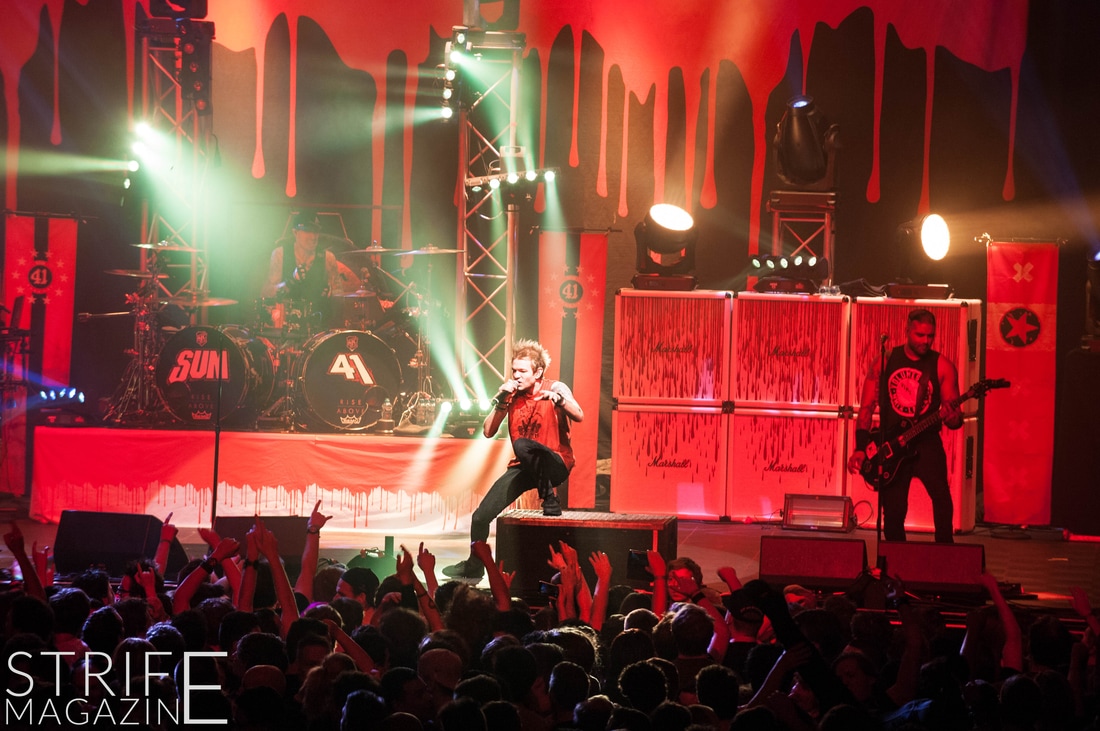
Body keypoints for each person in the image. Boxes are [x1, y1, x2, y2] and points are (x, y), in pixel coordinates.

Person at [442, 339, 584, 579]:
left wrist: (558, 399)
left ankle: (549, 497)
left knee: (522, 444)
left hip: (555, 463)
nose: (516, 376)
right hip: (525, 467)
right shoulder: (511, 396)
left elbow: (579, 415)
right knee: (480, 517)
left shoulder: (555, 387)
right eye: (514, 371)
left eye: (522, 371)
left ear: (538, 372)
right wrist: (501, 400)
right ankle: (475, 565)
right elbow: (488, 431)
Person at [846, 308, 963, 543]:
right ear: (907, 330)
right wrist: (860, 447)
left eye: (930, 336)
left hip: (926, 441)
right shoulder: (885, 361)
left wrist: (952, 418)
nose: (926, 341)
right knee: (894, 510)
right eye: (920, 335)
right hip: (893, 443)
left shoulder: (942, 366)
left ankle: (945, 553)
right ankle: (896, 557)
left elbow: (955, 419)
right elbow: (867, 407)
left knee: (941, 497)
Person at [260, 211, 361, 305]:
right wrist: (290, 282)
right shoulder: (280, 254)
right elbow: (267, 294)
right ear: (295, 232)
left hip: (318, 315)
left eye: (316, 231)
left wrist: (331, 293)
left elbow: (339, 295)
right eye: (307, 231)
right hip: (288, 316)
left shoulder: (328, 258)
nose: (313, 237)